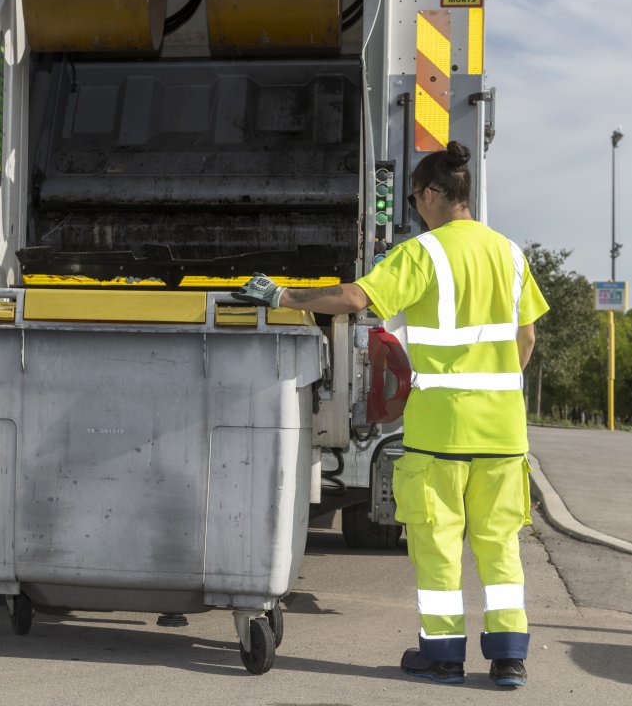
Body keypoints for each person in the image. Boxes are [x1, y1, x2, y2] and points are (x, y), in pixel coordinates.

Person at [234, 141, 548, 687]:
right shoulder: (512, 254)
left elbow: (356, 299)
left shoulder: (423, 254)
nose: (412, 208)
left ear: (431, 194)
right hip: (503, 431)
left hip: (440, 431)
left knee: (438, 545)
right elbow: (527, 338)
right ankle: (508, 660)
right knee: (500, 547)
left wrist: (283, 297)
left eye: (413, 199)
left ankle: (445, 656)